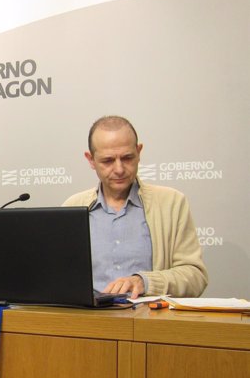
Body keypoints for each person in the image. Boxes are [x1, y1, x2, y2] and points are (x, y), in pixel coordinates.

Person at [63, 115, 208, 298]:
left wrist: (144, 282)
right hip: (87, 324)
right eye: (108, 161)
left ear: (139, 152)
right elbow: (59, 277)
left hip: (149, 322)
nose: (119, 169)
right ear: (91, 160)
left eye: (127, 158)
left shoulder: (171, 203)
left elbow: (195, 276)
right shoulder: (73, 207)